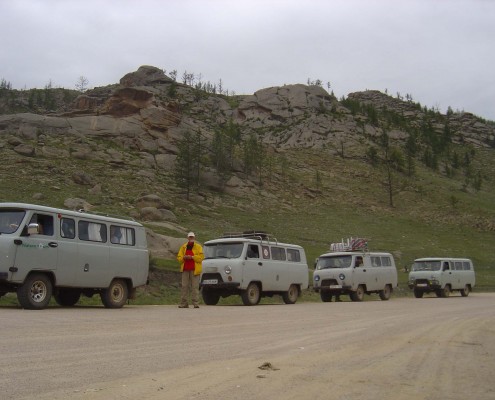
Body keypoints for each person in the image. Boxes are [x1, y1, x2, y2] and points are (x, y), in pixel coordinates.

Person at [176, 232, 204, 308]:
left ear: (194, 238)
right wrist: (184, 258)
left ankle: (195, 303)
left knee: (195, 287)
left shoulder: (198, 247)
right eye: (190, 237)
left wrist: (192, 257)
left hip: (195, 270)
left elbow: (201, 258)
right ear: (187, 238)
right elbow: (179, 258)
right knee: (184, 286)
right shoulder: (183, 247)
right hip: (185, 269)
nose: (191, 238)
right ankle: (183, 303)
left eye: (192, 237)